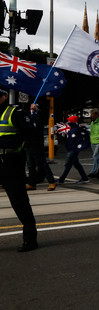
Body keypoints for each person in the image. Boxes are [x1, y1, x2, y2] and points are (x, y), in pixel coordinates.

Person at [0, 88, 39, 251]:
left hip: (11, 160)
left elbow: (32, 135)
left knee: (19, 201)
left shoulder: (14, 112)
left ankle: (30, 240)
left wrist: (27, 156)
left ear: (3, 97)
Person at [25, 103, 56, 191]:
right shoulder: (28, 117)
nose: (32, 109)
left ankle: (51, 181)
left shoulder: (39, 117)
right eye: (31, 107)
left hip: (37, 143)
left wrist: (35, 113)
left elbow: (37, 124)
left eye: (34, 107)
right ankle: (32, 183)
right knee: (30, 165)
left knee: (42, 163)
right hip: (29, 143)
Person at [56, 115, 90, 184]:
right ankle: (85, 178)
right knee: (76, 164)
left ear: (72, 121)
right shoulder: (72, 128)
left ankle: (61, 179)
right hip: (71, 149)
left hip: (73, 149)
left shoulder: (77, 128)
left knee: (68, 165)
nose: (68, 121)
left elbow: (84, 133)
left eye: (69, 120)